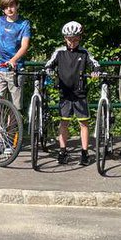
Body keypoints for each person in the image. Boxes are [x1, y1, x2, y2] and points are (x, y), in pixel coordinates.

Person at [46, 21, 100, 165]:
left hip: (80, 93)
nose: (72, 43)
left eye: (76, 39)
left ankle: (84, 153)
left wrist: (96, 71)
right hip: (65, 93)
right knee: (63, 123)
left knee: (84, 123)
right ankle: (62, 151)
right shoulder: (59, 52)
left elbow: (95, 64)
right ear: (65, 38)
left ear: (80, 38)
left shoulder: (84, 52)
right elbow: (48, 65)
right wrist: (49, 71)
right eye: (70, 39)